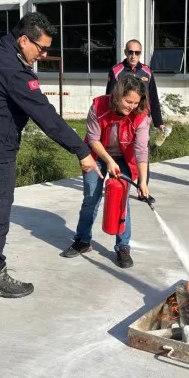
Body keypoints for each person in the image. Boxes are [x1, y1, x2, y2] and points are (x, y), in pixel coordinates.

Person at [0, 12, 100, 299]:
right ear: (23, 40)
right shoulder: (15, 70)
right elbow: (47, 117)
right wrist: (81, 151)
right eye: (41, 48)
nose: (43, 55)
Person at [63, 75, 151, 268]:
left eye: (136, 103)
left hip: (125, 159)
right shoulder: (98, 106)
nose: (132, 107)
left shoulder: (141, 115)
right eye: (128, 101)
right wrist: (109, 161)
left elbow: (142, 149)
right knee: (91, 198)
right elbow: (93, 139)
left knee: (122, 200)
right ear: (118, 95)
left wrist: (143, 181)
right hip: (97, 155)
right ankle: (83, 241)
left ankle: (122, 246)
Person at [105, 39, 165, 204]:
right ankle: (116, 186)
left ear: (141, 54)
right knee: (117, 153)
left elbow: (153, 99)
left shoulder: (147, 72)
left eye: (137, 53)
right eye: (130, 52)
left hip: (141, 121)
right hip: (120, 121)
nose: (133, 56)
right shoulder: (116, 71)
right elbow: (109, 97)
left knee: (141, 152)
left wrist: (158, 122)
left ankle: (143, 189)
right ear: (125, 52)